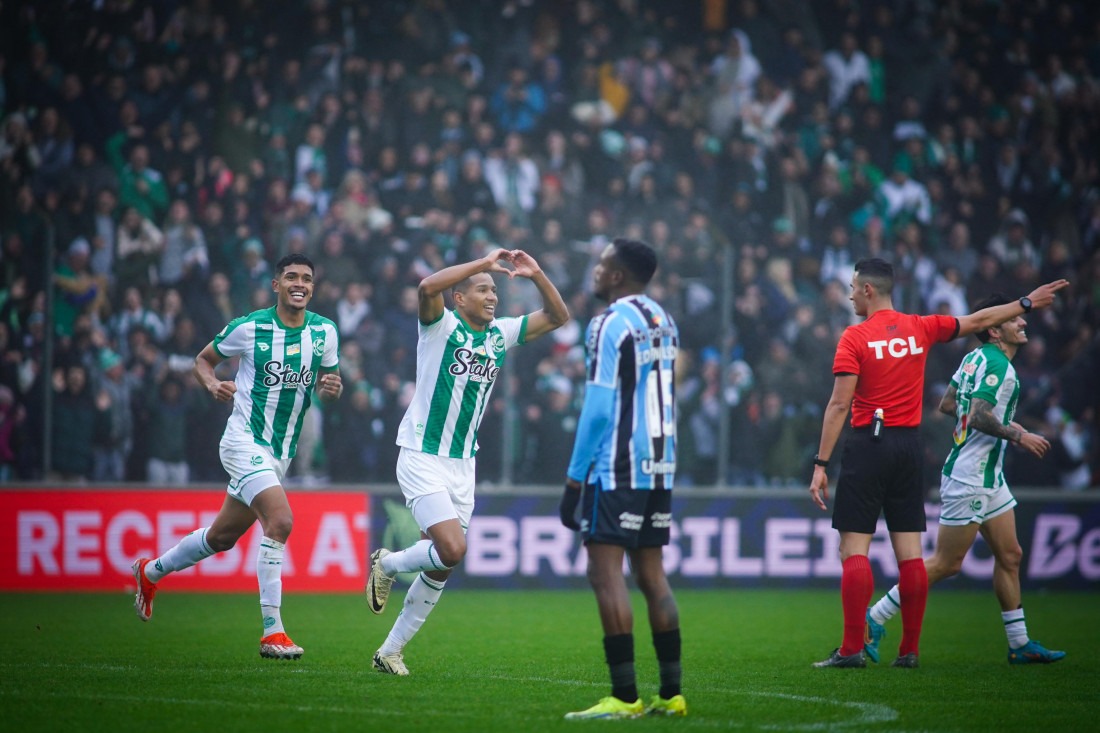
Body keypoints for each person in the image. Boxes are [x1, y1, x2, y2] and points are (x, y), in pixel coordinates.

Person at [808, 258, 1068, 669]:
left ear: (869, 290)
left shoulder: (854, 337)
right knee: (911, 556)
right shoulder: (920, 327)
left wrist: (821, 462)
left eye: (854, 287)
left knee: (853, 548)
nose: (851, 293)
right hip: (909, 448)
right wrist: (1025, 303)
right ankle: (909, 651)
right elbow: (979, 319)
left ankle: (852, 649)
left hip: (870, 444)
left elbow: (840, 403)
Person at [365, 248, 569, 676]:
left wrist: (536, 275)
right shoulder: (440, 326)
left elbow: (558, 316)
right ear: (460, 299)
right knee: (453, 548)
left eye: (494, 290)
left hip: (463, 464)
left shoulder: (501, 334)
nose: (492, 296)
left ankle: (390, 650)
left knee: (442, 564)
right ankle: (386, 564)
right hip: (422, 453)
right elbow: (425, 287)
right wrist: (481, 263)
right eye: (482, 290)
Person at [131, 253, 343, 660]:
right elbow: (203, 361)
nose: (300, 284)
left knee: (222, 538)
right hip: (243, 441)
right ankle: (272, 633)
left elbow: (327, 380)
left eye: (307, 279)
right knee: (280, 521)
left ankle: (150, 571)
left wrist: (331, 387)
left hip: (280, 452)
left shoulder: (326, 333)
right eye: (292, 277)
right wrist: (211, 385)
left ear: (313, 287)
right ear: (276, 285)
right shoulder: (250, 328)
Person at [865, 293, 1066, 665]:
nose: (1023, 323)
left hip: (990, 478)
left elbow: (947, 405)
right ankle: (876, 616)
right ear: (994, 329)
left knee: (1011, 555)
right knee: (946, 563)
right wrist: (1018, 435)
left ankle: (1019, 644)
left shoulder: (973, 358)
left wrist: (1001, 423)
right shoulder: (997, 366)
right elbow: (976, 416)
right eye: (1014, 319)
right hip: (970, 477)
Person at [559, 238, 686, 719]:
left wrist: (573, 482)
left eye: (601, 264)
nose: (594, 271)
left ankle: (626, 697)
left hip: (616, 465)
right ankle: (672, 695)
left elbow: (596, 409)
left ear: (616, 276)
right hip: (660, 463)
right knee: (653, 576)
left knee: (604, 573)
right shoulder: (663, 319)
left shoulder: (608, 322)